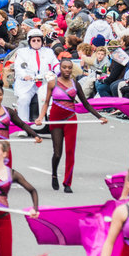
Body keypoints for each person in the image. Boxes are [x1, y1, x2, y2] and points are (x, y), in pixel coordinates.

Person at [33, 58, 108, 193]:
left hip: (70, 119)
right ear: (60, 69)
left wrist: (99, 117)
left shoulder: (75, 84)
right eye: (64, 67)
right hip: (55, 119)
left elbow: (86, 104)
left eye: (69, 68)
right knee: (57, 153)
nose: (67, 70)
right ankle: (54, 174)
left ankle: (67, 183)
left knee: (70, 152)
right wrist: (40, 118)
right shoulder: (52, 83)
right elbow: (46, 103)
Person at [11, 28, 59, 125]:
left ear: (42, 41)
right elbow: (19, 67)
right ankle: (24, 125)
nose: (36, 42)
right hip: (28, 83)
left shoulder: (48, 52)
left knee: (53, 99)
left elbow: (56, 64)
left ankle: (51, 121)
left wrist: (59, 71)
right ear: (29, 41)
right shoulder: (22, 52)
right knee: (23, 99)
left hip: (45, 82)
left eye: (38, 40)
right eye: (33, 40)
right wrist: (25, 76)